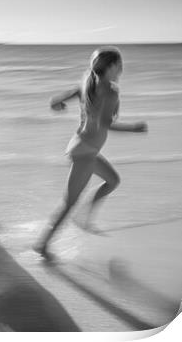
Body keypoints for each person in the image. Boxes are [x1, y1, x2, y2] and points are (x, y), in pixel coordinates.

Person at [34, 46, 148, 261]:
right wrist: (134, 128)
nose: (122, 69)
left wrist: (58, 105)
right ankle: (42, 244)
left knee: (113, 180)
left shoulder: (87, 81)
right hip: (84, 153)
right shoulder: (111, 91)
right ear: (111, 66)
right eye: (120, 65)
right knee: (69, 202)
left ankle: (83, 218)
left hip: (83, 147)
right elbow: (107, 125)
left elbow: (55, 101)